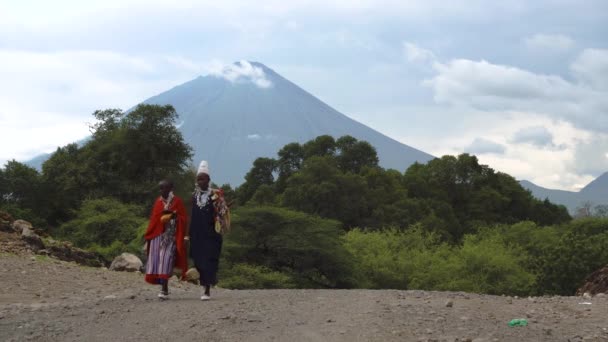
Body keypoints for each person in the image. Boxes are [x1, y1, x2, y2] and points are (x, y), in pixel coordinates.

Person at [188, 160, 230, 301]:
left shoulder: (216, 195)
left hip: (212, 234)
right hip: (197, 233)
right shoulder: (194, 196)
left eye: (203, 178)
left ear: (208, 180)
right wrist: (189, 233)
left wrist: (221, 207)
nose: (200, 181)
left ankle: (206, 289)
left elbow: (223, 212)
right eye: (198, 179)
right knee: (199, 261)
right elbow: (192, 214)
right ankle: (204, 284)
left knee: (209, 260)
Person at [143, 179, 188, 299]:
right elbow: (154, 219)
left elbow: (184, 218)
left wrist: (174, 216)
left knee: (165, 259)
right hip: (157, 236)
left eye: (165, 188)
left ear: (171, 189)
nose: (162, 190)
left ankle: (164, 288)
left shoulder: (177, 201)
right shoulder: (158, 202)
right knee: (157, 261)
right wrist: (149, 235)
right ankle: (164, 288)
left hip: (171, 235)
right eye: (161, 188)